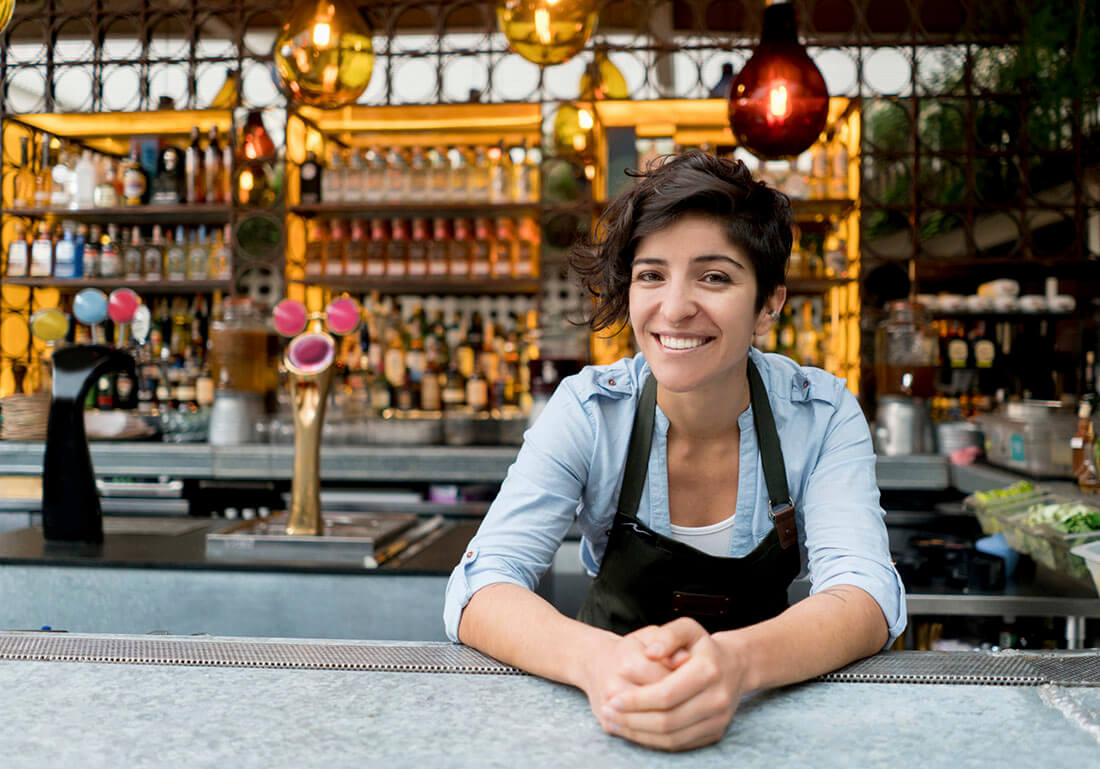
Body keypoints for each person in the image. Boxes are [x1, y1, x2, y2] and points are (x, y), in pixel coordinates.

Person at [444, 150, 906, 751]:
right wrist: (599, 664)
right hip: (600, 723)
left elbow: (864, 594)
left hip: (766, 724)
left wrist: (734, 665)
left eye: (714, 276)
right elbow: (481, 586)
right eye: (651, 274)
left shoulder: (820, 413)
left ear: (769, 302)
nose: (675, 307)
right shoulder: (589, 411)